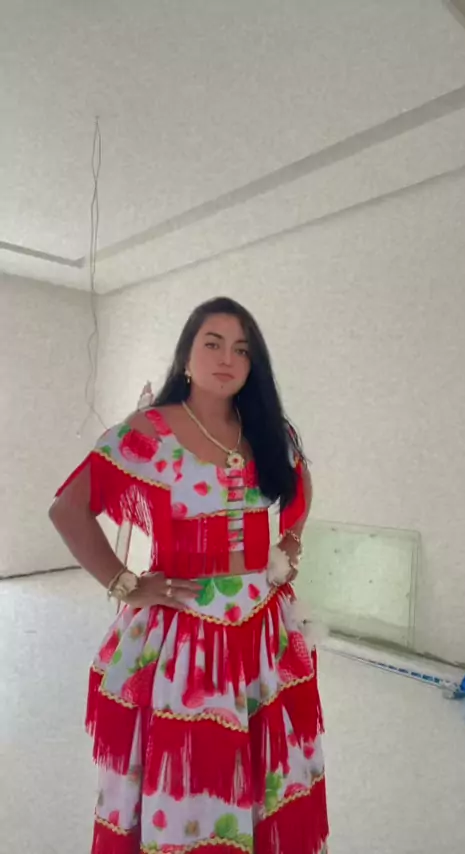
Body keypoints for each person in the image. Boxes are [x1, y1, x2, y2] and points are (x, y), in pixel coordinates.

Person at [50, 296, 329, 854]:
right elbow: (68, 509)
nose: (227, 359)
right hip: (186, 637)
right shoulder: (148, 431)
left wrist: (290, 542)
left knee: (266, 777)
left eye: (242, 350)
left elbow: (300, 486)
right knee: (191, 784)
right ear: (185, 355)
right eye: (213, 343)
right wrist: (126, 583)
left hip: (263, 632)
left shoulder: (268, 430)